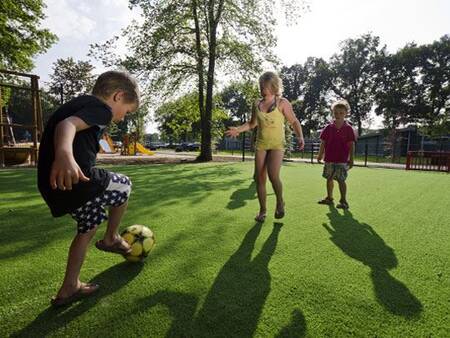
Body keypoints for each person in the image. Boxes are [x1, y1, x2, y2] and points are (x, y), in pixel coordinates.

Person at [37, 71, 139, 306]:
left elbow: (71, 124)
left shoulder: (81, 104)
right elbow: (66, 125)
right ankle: (112, 238)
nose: (124, 118)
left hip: (56, 186)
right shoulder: (100, 108)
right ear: (118, 96)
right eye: (128, 111)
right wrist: (64, 155)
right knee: (124, 186)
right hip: (75, 178)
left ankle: (69, 286)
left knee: (89, 224)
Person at [226, 71, 304, 222]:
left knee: (273, 176)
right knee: (260, 178)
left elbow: (293, 121)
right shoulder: (256, 104)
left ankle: (280, 202)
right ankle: (262, 210)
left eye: (266, 85)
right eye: (261, 85)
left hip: (277, 145)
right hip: (261, 145)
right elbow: (252, 123)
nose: (263, 88)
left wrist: (300, 136)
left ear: (274, 86)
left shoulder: (282, 103)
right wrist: (237, 129)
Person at [317, 99, 357, 209]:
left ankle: (343, 201)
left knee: (341, 180)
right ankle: (329, 198)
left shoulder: (348, 129)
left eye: (341, 113)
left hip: (342, 160)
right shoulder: (328, 128)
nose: (338, 115)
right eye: (336, 113)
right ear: (332, 113)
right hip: (329, 158)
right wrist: (320, 154)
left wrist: (352, 159)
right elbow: (323, 142)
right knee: (329, 178)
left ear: (346, 113)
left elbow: (351, 145)